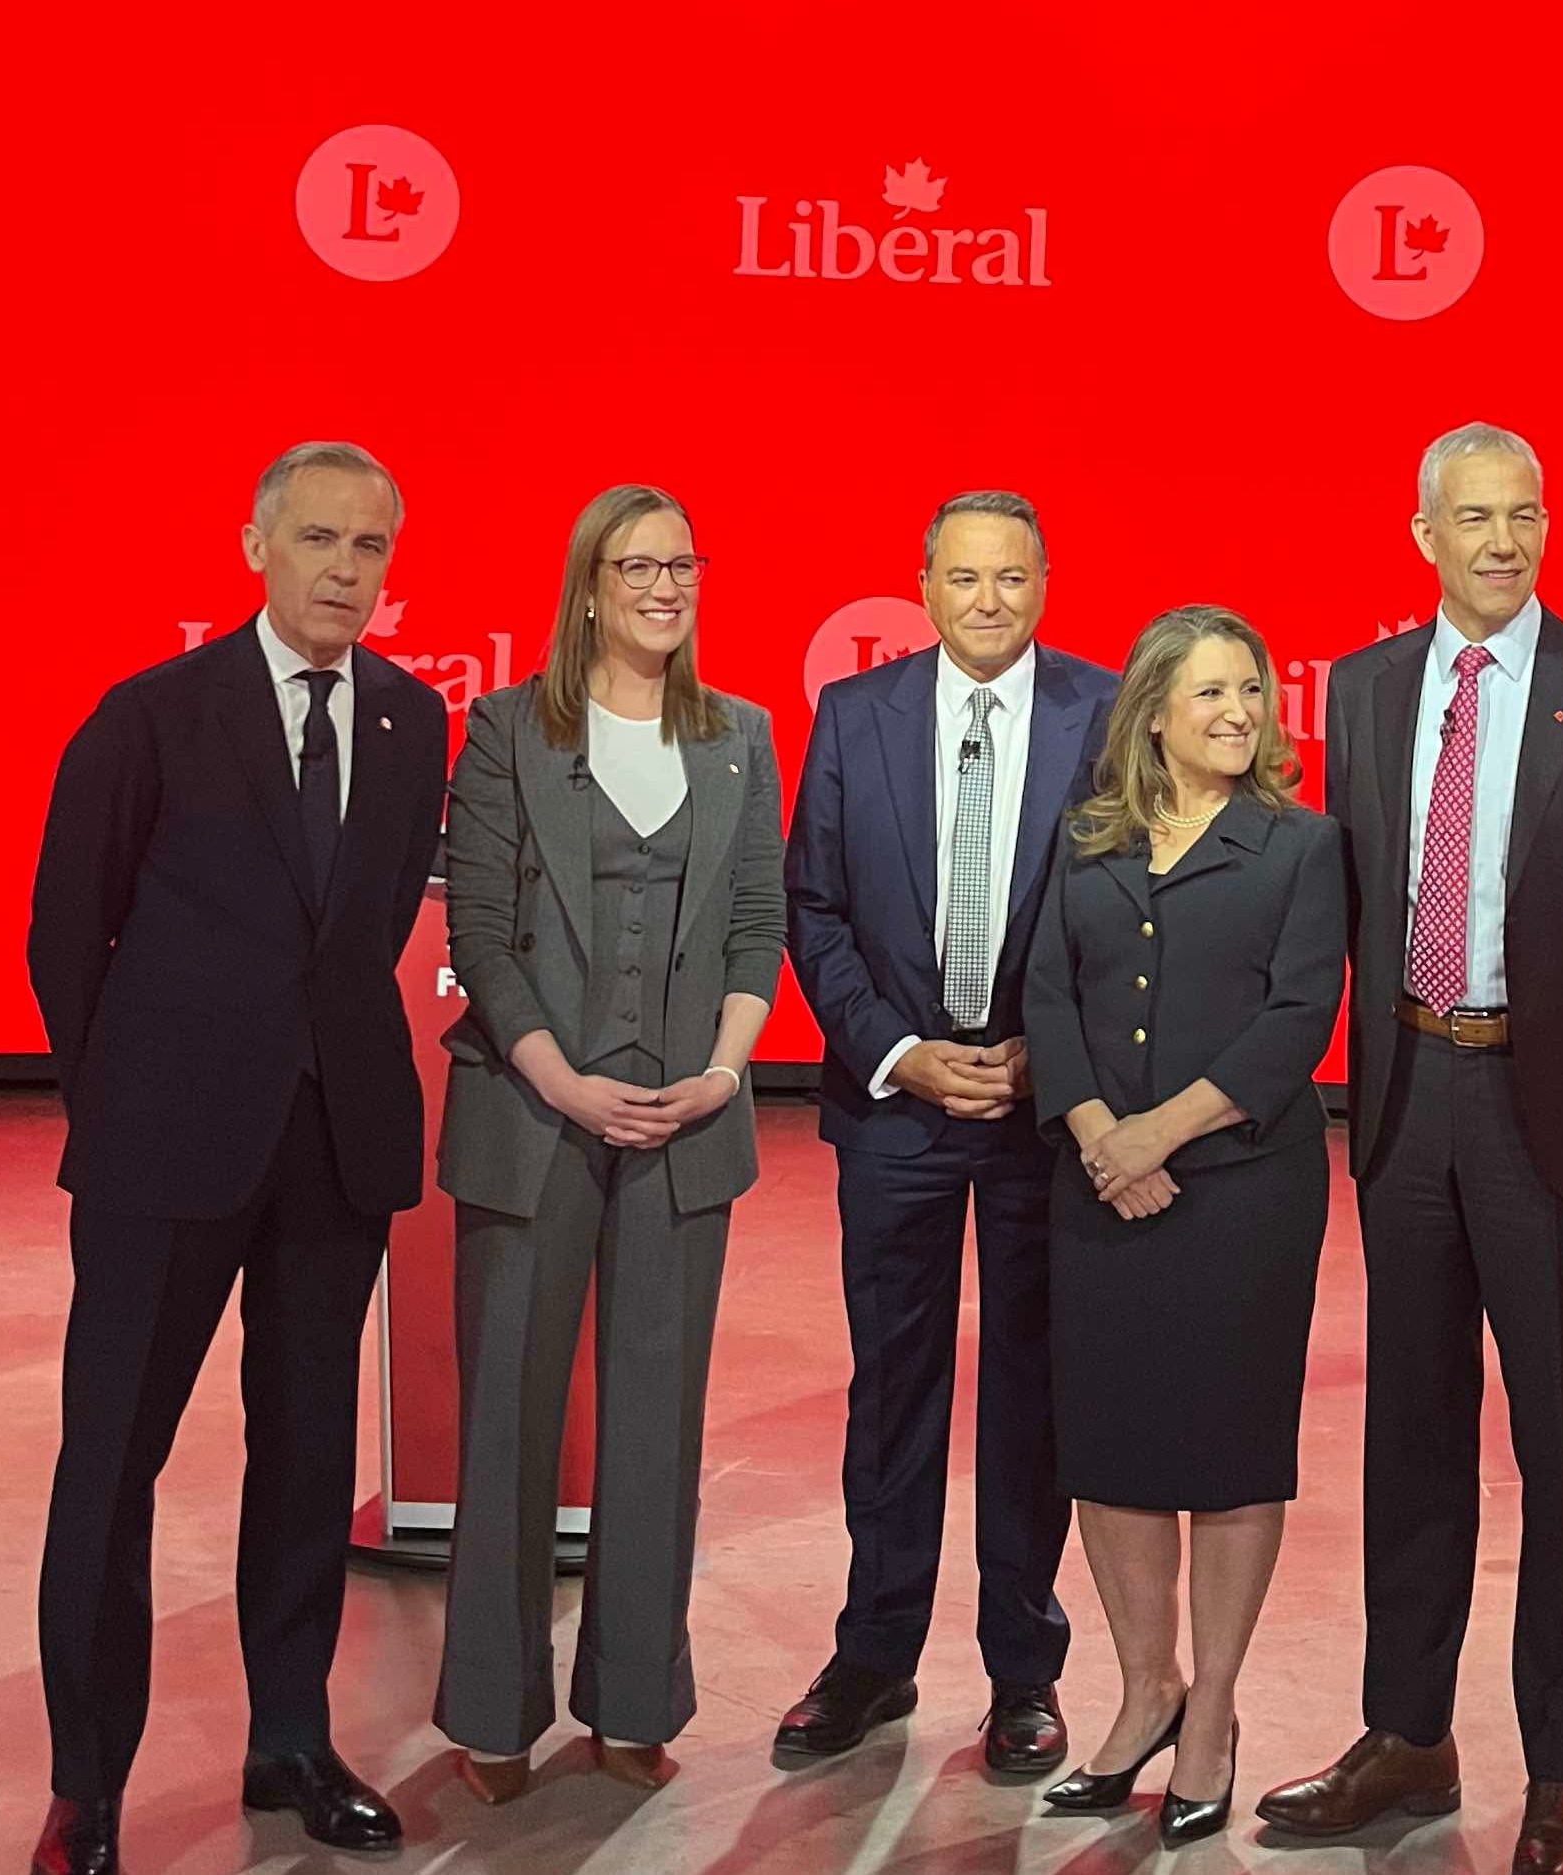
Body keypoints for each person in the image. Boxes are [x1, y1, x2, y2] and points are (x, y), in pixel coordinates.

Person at [1259, 422, 1563, 1875]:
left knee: (1558, 1451)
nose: (1502, 539)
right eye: (1472, 517)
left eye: (1523, 514)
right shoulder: (1375, 689)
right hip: (1403, 1106)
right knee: (1408, 1435)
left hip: (1543, 1118)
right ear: (1421, 535)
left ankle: (1558, 1775)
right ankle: (1406, 1731)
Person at [24, 441, 450, 1872]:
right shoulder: (152, 714)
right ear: (257, 542)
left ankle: (290, 1739)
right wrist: (127, 1100)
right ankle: (89, 1784)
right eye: (319, 537)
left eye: (371, 546)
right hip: (162, 1151)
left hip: (333, 1148)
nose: (346, 568)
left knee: (305, 1455)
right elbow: (62, 934)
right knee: (112, 1462)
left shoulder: (408, 720)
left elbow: (375, 922)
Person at [431, 485, 785, 1800]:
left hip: (687, 1125)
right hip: (531, 1120)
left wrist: (720, 1069)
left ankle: (633, 1694)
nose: (664, 584)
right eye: (637, 564)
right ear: (586, 586)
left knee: (654, 1424)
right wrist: (561, 1079)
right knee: (508, 1425)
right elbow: (482, 933)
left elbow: (757, 926)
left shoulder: (740, 736)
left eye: (682, 562)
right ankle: (490, 1711)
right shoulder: (506, 730)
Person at [778, 491, 1117, 1771]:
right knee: (895, 1392)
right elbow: (814, 906)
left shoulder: (1101, 713)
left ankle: (1024, 1673)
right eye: (965, 578)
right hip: (896, 1114)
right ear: (923, 585)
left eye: (1012, 579)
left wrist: (1050, 1053)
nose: (989, 600)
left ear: (1044, 583)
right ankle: (873, 1657)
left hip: (1044, 1115)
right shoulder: (854, 717)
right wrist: (902, 1054)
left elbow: (1122, 908)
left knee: (1033, 1397)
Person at [1022, 605, 1345, 1847]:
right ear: (1153, 710)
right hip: (1098, 1183)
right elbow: (1050, 991)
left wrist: (1159, 1136)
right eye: (1209, 694)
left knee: (1225, 1459)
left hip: (1243, 1194)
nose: (1236, 716)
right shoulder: (1090, 837)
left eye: (1250, 694)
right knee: (1109, 1453)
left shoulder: (1300, 844)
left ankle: (1210, 1711)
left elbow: (1296, 1017)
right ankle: (1143, 1689)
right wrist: (1103, 1133)